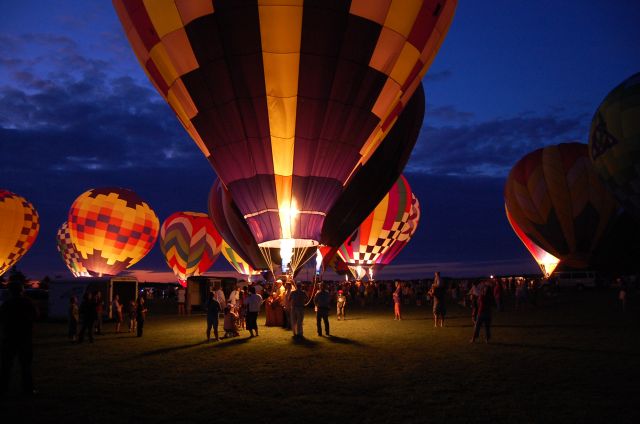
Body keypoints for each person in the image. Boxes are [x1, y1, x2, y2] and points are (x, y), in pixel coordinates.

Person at [0, 281, 39, 396]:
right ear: (22, 290)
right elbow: (36, 316)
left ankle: (3, 388)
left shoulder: (6, 304)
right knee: (25, 365)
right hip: (24, 337)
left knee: (6, 365)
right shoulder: (28, 302)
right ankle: (28, 389)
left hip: (9, 337)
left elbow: (2, 317)